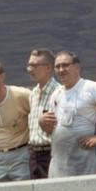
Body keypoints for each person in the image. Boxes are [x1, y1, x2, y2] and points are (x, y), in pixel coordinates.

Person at [41, 52, 96, 177]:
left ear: (77, 67)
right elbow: (50, 129)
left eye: (65, 65)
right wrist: (43, 124)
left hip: (83, 162)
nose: (61, 70)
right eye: (58, 66)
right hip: (59, 163)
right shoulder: (56, 94)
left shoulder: (92, 88)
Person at [24, 48, 60, 179]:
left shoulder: (59, 93)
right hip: (34, 155)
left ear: (48, 68)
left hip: (51, 152)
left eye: (34, 65)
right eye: (29, 65)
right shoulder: (33, 93)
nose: (30, 69)